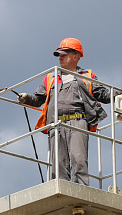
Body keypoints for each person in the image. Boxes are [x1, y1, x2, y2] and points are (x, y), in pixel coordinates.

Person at [17, 38, 110, 185]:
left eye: (64, 54)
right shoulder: (51, 78)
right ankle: (61, 190)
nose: (60, 57)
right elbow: (38, 99)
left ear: (76, 56)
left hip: (78, 122)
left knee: (79, 159)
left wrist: (121, 93)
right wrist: (26, 98)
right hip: (56, 124)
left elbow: (103, 94)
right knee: (59, 162)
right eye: (59, 55)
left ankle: (81, 191)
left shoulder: (87, 76)